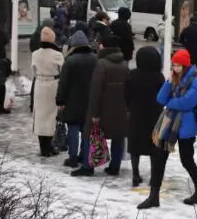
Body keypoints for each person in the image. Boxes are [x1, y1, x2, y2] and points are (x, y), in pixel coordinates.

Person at [137, 49, 197, 209]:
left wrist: (171, 103)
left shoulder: (196, 81)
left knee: (187, 160)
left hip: (186, 126)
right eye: (173, 65)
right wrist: (168, 82)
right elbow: (160, 98)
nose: (175, 68)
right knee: (159, 158)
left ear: (185, 65)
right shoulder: (174, 78)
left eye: (178, 66)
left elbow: (187, 103)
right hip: (169, 124)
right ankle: (153, 196)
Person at [74, 34, 129, 176]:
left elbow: (96, 91)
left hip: (102, 109)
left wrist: (95, 113)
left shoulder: (101, 64)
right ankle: (114, 166)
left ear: (103, 46)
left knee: (89, 134)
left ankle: (87, 166)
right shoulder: (124, 64)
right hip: (120, 109)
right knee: (118, 136)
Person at [56, 31, 99, 169]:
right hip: (89, 101)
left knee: (73, 129)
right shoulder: (95, 59)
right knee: (86, 131)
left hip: (72, 102)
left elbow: (63, 84)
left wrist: (60, 101)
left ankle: (72, 157)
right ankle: (84, 156)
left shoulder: (69, 61)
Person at [126, 47, 165, 189]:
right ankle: (154, 177)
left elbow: (126, 95)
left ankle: (135, 175)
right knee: (154, 147)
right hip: (154, 114)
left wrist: (129, 107)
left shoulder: (132, 75)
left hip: (136, 114)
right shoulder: (158, 76)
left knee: (135, 146)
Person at [31, 26, 65, 158]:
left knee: (40, 115)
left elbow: (33, 71)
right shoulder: (57, 55)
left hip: (39, 84)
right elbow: (63, 71)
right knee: (51, 115)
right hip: (53, 85)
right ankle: (49, 146)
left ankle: (42, 146)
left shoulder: (35, 54)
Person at [178, 16, 197, 83]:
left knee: (188, 68)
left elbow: (180, 40)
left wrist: (186, 45)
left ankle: (187, 81)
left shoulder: (186, 29)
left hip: (189, 53)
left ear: (190, 22)